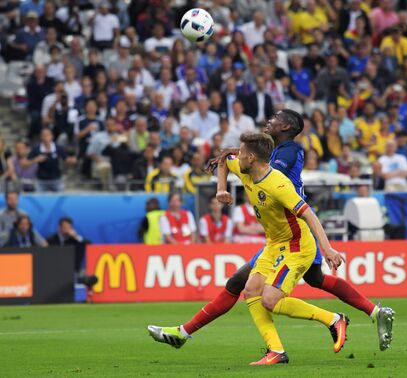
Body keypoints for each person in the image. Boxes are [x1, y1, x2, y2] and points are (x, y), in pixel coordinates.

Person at [147, 110, 394, 356]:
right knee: (307, 280)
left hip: (296, 230)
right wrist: (222, 184)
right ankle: (370, 312)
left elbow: (264, 170)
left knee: (253, 288)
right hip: (277, 235)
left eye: (275, 118)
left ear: (286, 127)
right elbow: (239, 161)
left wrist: (236, 155)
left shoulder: (288, 154)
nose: (269, 121)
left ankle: (186, 333)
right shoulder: (266, 154)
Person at [47, 217, 96, 287]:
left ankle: (84, 279)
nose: (67, 230)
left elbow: (89, 245)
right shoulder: (51, 240)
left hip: (72, 270)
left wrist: (76, 237)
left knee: (83, 276)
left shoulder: (74, 239)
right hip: (55, 270)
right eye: (65, 227)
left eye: (69, 228)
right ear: (59, 227)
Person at [28, 128, 76, 192]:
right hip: (41, 180)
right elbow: (24, 163)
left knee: (61, 196)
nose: (46, 137)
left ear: (52, 136)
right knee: (39, 197)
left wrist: (72, 160)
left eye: (48, 135)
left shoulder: (58, 148)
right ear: (41, 137)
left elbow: (66, 159)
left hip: (56, 179)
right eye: (44, 135)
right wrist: (35, 160)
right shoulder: (36, 149)